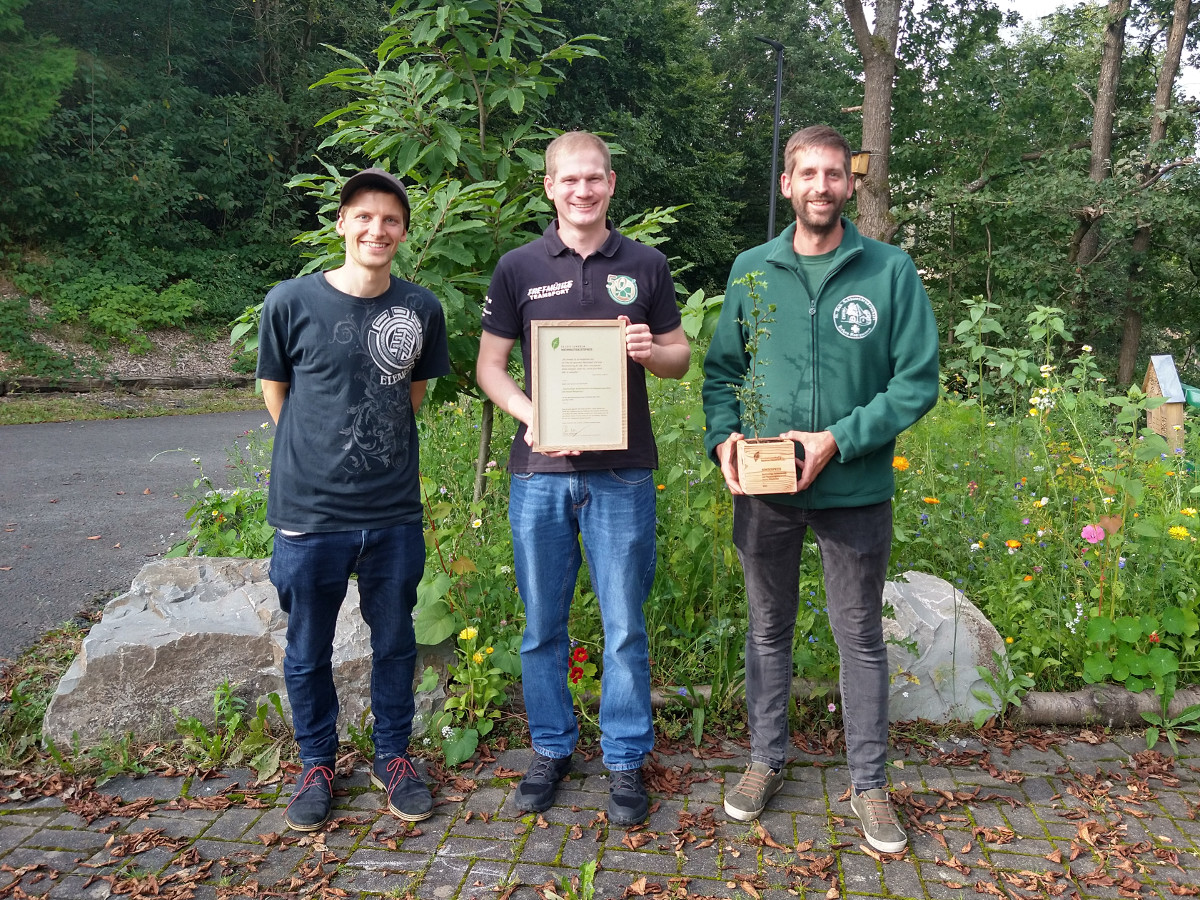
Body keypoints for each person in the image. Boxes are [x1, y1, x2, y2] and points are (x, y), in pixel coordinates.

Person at [701, 125, 939, 851]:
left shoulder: (889, 272)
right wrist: (723, 442)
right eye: (807, 174)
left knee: (860, 637)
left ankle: (869, 786)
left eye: (834, 174)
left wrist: (840, 437)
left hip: (855, 490)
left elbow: (916, 382)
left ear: (849, 184)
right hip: (765, 490)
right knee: (767, 629)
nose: (821, 186)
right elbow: (720, 376)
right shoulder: (751, 269)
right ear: (787, 184)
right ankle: (764, 762)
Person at [476, 132, 691, 826]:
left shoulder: (646, 265)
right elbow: (489, 367)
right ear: (549, 186)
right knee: (543, 626)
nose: (583, 190)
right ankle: (551, 748)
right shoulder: (517, 267)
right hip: (540, 472)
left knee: (624, 626)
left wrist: (650, 350)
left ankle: (626, 760)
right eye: (569, 180)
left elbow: (681, 357)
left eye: (594, 178)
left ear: (611, 182)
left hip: (623, 475)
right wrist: (527, 411)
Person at [258, 167, 451, 832]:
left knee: (396, 643)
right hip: (309, 517)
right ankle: (316, 763)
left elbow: (411, 397)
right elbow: (276, 394)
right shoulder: (289, 302)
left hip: (392, 512)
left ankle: (394, 757)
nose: (377, 228)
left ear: (403, 231)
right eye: (364, 216)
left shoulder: (421, 309)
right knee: (307, 648)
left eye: (391, 219)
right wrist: (317, 457)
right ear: (341, 223)